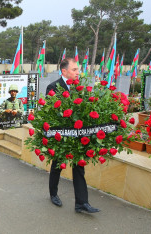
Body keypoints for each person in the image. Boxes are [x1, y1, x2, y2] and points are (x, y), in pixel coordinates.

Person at [45, 58, 100, 214]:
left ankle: (82, 203)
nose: (78, 73)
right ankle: (53, 194)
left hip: (77, 135)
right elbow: (52, 112)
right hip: (61, 136)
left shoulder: (78, 88)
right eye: (74, 70)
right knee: (57, 165)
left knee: (79, 167)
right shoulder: (53, 87)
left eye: (78, 70)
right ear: (64, 71)